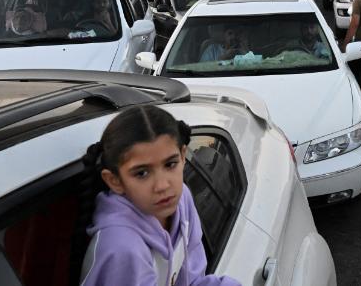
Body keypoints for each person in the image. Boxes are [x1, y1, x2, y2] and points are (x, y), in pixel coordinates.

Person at [79, 105, 241, 286]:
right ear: (114, 181)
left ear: (182, 155)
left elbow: (192, 280)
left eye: (170, 164)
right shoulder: (122, 249)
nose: (162, 185)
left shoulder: (182, 199)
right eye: (142, 173)